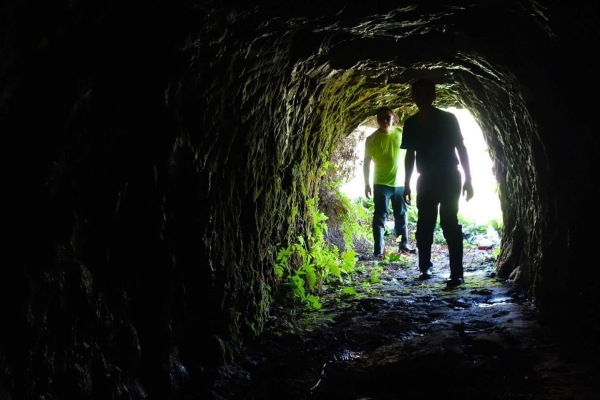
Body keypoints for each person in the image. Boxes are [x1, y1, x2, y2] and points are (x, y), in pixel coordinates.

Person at [401, 78, 474, 286]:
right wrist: (407, 183)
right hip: (426, 179)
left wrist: (469, 179)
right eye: (419, 95)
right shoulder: (411, 123)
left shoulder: (449, 119)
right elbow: (410, 156)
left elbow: (461, 149)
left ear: (434, 95)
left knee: (449, 222)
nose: (423, 98)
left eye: (427, 94)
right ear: (413, 98)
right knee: (425, 224)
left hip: (450, 176)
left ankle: (456, 273)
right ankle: (425, 268)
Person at [364, 106, 415, 258]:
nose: (384, 121)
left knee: (401, 216)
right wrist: (366, 183)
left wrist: (408, 184)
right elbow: (366, 163)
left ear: (394, 117)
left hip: (400, 184)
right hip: (380, 184)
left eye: (387, 117)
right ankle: (379, 250)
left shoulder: (401, 133)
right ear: (376, 120)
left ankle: (404, 246)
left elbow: (411, 157)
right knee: (380, 217)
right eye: (381, 118)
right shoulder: (371, 139)